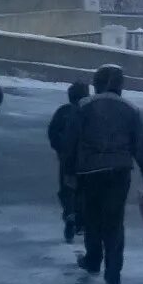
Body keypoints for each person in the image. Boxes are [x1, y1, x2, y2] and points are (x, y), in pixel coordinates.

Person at [63, 64, 143, 284]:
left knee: (92, 217)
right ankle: (113, 273)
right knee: (114, 221)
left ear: (96, 83)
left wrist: (68, 171)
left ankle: (93, 260)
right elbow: (141, 147)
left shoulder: (84, 107)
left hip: (89, 171)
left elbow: (71, 142)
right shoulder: (131, 110)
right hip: (119, 171)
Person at [47, 81, 90, 242]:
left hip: (66, 159)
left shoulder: (63, 112)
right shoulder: (91, 112)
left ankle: (70, 214)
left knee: (66, 190)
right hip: (87, 161)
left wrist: (61, 148)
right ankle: (81, 219)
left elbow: (52, 132)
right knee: (84, 191)